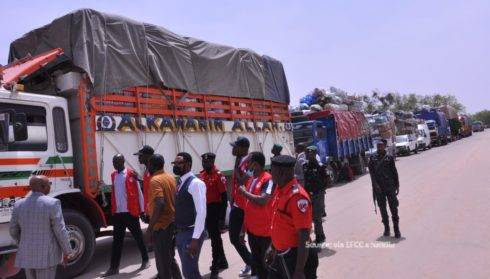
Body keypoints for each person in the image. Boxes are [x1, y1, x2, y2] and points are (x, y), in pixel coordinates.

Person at [9, 175, 73, 279]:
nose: (50, 187)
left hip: (27, 253)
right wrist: (67, 251)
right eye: (49, 184)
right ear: (43, 187)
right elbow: (60, 230)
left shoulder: (19, 204)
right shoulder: (52, 203)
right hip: (46, 256)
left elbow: (12, 229)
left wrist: (22, 242)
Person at [266, 155, 318, 279]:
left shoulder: (297, 197)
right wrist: (273, 246)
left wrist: (299, 271)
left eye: (271, 171)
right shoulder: (280, 190)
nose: (270, 174)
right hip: (281, 254)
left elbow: (304, 236)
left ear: (281, 172)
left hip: (294, 257)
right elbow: (280, 223)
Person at [103, 154, 149, 277]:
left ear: (123, 162)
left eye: (116, 162)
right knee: (117, 241)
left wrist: (142, 210)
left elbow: (139, 193)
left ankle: (145, 260)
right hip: (118, 214)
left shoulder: (131, 174)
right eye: (113, 162)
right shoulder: (114, 175)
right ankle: (113, 267)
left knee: (138, 237)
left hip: (130, 212)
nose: (114, 164)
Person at [144, 154, 182, 279]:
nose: (147, 166)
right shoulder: (170, 177)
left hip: (161, 226)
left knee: (162, 262)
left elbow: (160, 203)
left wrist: (149, 229)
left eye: (149, 164)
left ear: (153, 165)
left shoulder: (155, 180)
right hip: (171, 222)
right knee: (169, 258)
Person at [239, 152, 276, 279]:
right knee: (258, 264)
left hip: (265, 233)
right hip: (252, 232)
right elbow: (247, 207)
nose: (247, 165)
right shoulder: (251, 180)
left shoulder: (268, 179)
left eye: (249, 163)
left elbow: (263, 200)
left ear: (255, 164)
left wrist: (244, 192)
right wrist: (243, 229)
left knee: (268, 265)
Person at [172, 152, 207, 279]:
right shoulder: (181, 182)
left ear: (188, 164)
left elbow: (201, 212)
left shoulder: (195, 183)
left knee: (189, 272)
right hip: (182, 233)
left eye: (179, 163)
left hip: (191, 234)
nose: (176, 165)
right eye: (174, 163)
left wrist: (195, 239)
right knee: (190, 271)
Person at [199, 152, 229, 278]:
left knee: (215, 241)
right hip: (207, 210)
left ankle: (215, 267)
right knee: (215, 238)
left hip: (216, 209)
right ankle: (223, 261)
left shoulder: (218, 175)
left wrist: (222, 218)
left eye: (207, 162)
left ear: (212, 162)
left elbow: (224, 198)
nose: (205, 164)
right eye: (204, 162)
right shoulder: (202, 175)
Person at [229, 136, 255, 277]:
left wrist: (236, 167)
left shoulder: (250, 162)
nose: (233, 149)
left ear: (244, 148)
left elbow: (242, 182)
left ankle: (255, 264)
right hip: (237, 205)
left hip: (246, 207)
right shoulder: (239, 160)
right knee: (235, 238)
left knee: (245, 238)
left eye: (235, 147)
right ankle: (251, 262)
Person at [368, 140, 401, 238]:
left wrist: (397, 185)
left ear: (385, 146)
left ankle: (396, 229)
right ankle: (386, 228)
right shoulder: (372, 159)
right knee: (382, 209)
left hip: (390, 186)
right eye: (378, 146)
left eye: (381, 145)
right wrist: (375, 186)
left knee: (394, 208)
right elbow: (372, 175)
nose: (379, 147)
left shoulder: (389, 158)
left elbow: (394, 172)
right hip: (379, 188)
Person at [303, 146, 328, 244]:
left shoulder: (321, 167)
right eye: (307, 153)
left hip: (318, 194)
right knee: (310, 217)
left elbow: (327, 181)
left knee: (317, 217)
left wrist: (321, 191)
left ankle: (319, 237)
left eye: (311, 153)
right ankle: (319, 235)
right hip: (308, 194)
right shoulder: (305, 166)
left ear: (315, 154)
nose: (309, 155)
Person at [134, 145, 155, 221]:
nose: (139, 158)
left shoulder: (154, 170)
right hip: (150, 210)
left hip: (155, 211)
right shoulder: (147, 169)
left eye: (140, 155)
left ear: (148, 156)